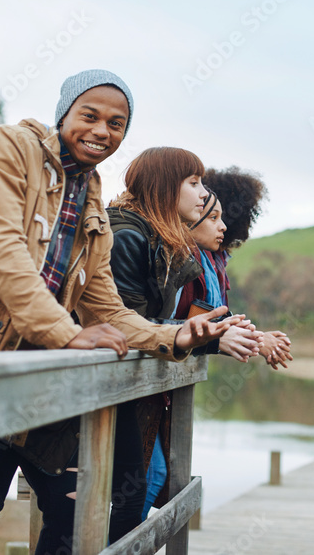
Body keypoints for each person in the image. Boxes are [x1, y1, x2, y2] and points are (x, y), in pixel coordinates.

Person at [0, 68, 237, 555]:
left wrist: (178, 336)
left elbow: (107, 307)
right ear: (64, 113)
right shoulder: (7, 149)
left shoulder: (90, 200)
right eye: (89, 116)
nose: (101, 131)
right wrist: (64, 332)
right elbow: (0, 247)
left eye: (116, 124)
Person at [103, 147, 263, 539]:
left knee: (145, 480)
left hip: (139, 383)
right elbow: (127, 321)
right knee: (116, 488)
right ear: (164, 187)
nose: (204, 194)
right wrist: (210, 339)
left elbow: (167, 320)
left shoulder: (162, 243)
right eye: (194, 183)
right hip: (113, 385)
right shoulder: (130, 236)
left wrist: (220, 334)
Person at [177, 167, 294, 368]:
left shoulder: (213, 258)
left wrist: (254, 337)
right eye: (213, 217)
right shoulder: (190, 257)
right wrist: (256, 339)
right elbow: (187, 320)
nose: (222, 226)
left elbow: (208, 317)